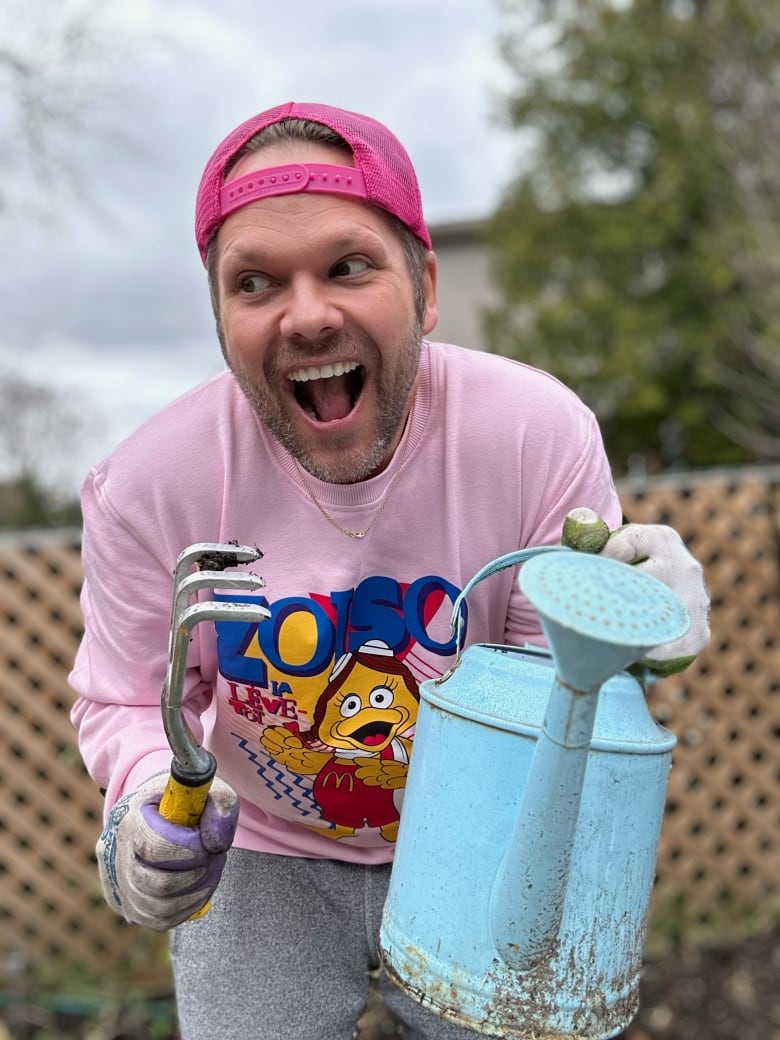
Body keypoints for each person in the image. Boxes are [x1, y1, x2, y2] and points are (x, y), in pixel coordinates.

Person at [69, 102, 709, 1040]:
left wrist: (621, 638)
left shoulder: (533, 433)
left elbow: (551, 696)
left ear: (425, 285)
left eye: (349, 266)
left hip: (478, 830)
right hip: (262, 852)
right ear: (218, 316)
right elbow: (124, 695)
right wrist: (138, 801)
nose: (309, 314)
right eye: (255, 283)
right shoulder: (146, 487)